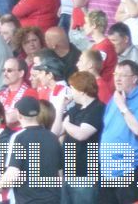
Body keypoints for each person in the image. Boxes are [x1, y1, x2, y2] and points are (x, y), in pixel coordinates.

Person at [99, 60, 138, 204]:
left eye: (123, 75)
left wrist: (122, 106)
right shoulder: (115, 98)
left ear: (134, 78)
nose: (117, 78)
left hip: (131, 168)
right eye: (115, 74)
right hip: (109, 168)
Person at [0, 96, 61, 204]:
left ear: (18, 114)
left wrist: (0, 185)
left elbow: (13, 172)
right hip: (53, 199)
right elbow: (60, 172)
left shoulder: (18, 137)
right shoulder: (53, 137)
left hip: (28, 200)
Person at [60, 71, 104, 204]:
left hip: (85, 174)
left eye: (72, 88)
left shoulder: (97, 108)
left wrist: (66, 123)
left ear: (82, 90)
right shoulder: (75, 109)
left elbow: (81, 134)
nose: (70, 92)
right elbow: (56, 130)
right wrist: (61, 106)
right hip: (69, 172)